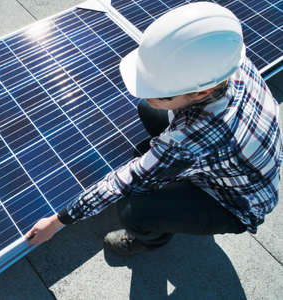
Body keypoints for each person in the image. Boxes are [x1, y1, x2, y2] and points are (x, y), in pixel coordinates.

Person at [25, 2, 282, 256]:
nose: (150, 95)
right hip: (238, 160)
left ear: (203, 91)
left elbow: (120, 184)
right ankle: (171, 177)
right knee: (148, 109)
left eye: (161, 94)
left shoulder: (191, 139)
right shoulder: (225, 62)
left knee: (131, 210)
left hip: (235, 202)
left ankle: (150, 240)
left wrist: (58, 221)